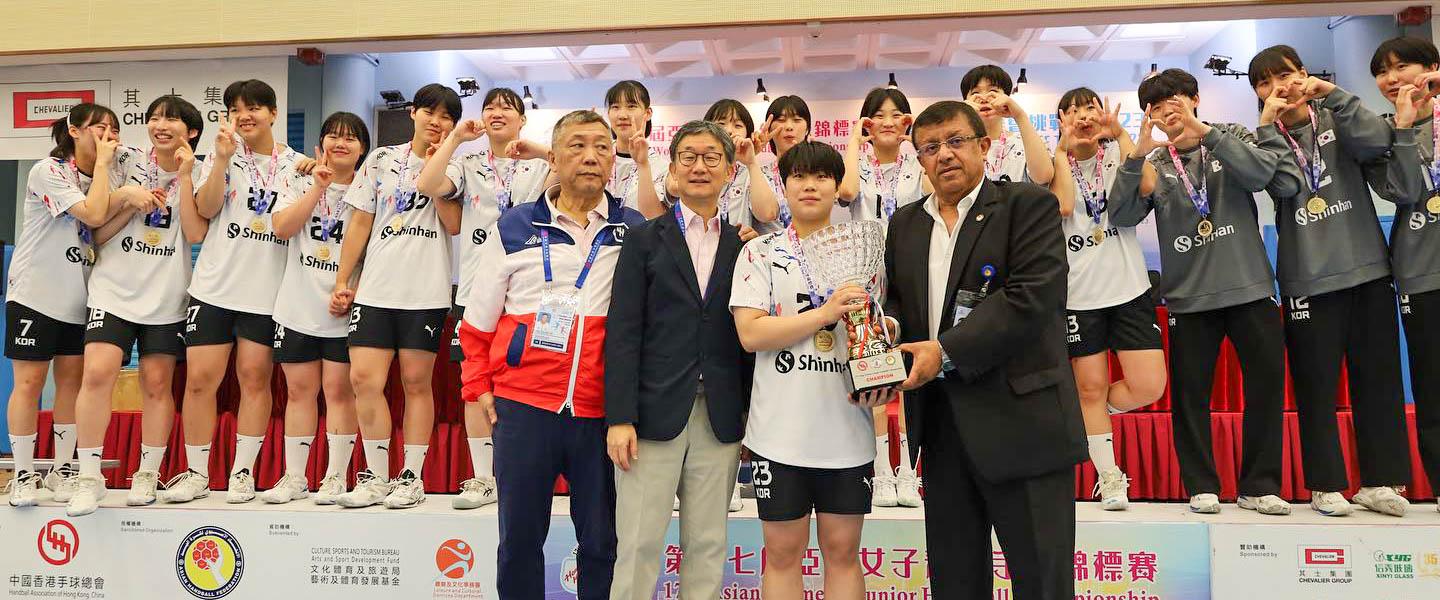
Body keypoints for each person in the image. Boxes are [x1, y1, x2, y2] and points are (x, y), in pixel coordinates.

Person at [887, 100, 1085, 600]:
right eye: (930, 147)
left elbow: (1032, 298)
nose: (944, 155)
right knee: (954, 582)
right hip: (941, 428)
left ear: (983, 145)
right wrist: (883, 331)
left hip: (1023, 424)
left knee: (1042, 583)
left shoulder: (1027, 205)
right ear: (919, 159)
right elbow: (900, 305)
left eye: (955, 141)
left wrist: (944, 351)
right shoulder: (905, 223)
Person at [458, 110, 644, 598]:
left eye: (603, 147)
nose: (590, 156)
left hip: (602, 410)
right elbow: (477, 321)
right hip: (523, 406)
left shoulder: (634, 228)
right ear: (554, 158)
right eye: (578, 146)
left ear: (614, 160)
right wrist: (478, 386)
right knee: (519, 540)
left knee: (603, 540)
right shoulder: (515, 226)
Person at [1109, 69, 1300, 515]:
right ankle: (1201, 484)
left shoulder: (1229, 134)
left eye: (1173, 101)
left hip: (1250, 288)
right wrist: (1135, 155)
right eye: (1155, 108)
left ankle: (1259, 484)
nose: (1166, 112)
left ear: (1194, 99)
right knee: (1191, 396)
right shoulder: (1154, 162)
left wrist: (1206, 133)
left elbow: (1260, 176)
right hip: (1188, 299)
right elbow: (1121, 215)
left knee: (1266, 388)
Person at [1249, 45, 1421, 517]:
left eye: (1284, 75)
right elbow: (1283, 183)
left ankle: (1381, 480)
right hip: (1307, 278)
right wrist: (1268, 127)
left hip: (1368, 268)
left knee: (1379, 380)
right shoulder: (1264, 138)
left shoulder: (1339, 118)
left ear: (1303, 74)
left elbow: (1377, 142)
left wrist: (1335, 95)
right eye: (1264, 83)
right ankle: (1325, 483)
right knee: (1316, 387)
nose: (1278, 87)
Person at [730, 140, 894, 599]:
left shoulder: (865, 249)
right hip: (778, 435)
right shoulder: (760, 253)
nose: (810, 185)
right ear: (784, 185)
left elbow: (883, 321)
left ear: (836, 186)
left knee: (842, 553)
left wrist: (883, 337)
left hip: (846, 431)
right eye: (799, 176)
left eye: (822, 176)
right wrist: (823, 315)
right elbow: (751, 334)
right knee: (783, 554)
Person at [605, 120, 752, 599]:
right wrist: (620, 417)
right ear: (672, 169)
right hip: (651, 415)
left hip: (721, 415)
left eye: (712, 157)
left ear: (731, 170)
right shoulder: (644, 239)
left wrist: (752, 415)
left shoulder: (746, 247)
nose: (699, 166)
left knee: (708, 543)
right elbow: (624, 333)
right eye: (688, 156)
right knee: (639, 543)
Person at [163, 79, 303, 504]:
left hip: (267, 294)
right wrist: (221, 160)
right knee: (200, 382)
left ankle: (243, 472)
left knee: (254, 380)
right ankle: (196, 472)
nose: (245, 115)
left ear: (274, 113)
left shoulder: (296, 165)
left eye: (255, 107)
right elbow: (204, 212)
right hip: (214, 288)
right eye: (236, 108)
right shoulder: (219, 157)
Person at [66, 96, 206, 516]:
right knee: (97, 374)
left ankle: (148, 472)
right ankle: (89, 476)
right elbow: (94, 222)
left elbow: (197, 233)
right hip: (112, 290)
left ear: (192, 132)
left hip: (167, 297)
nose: (160, 125)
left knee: (157, 385)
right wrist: (126, 194)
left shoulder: (201, 173)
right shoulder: (123, 159)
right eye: (154, 118)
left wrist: (183, 178)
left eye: (172, 119)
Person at [419, 87, 553, 510]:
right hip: (477, 289)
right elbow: (427, 183)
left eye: (508, 108)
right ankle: (481, 478)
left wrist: (541, 151)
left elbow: (575, 168)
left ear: (522, 120)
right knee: (474, 384)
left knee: (527, 384)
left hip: (528, 294)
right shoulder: (468, 162)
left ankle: (524, 476)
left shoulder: (537, 165)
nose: (498, 113)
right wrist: (456, 139)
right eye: (490, 106)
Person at [331, 83, 463, 509]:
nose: (437, 121)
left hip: (425, 292)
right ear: (413, 113)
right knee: (363, 380)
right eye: (430, 112)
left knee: (415, 382)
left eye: (446, 116)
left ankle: (412, 476)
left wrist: (436, 166)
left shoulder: (457, 165)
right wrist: (342, 279)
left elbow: (454, 223)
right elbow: (360, 224)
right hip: (376, 290)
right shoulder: (381, 159)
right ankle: (377, 476)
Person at [5, 103, 130, 508]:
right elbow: (93, 211)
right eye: (99, 128)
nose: (107, 135)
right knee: (29, 384)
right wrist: (122, 191)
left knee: (71, 386)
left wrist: (126, 202)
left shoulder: (99, 177)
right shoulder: (50, 170)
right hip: (35, 295)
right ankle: (23, 474)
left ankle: (62, 471)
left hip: (79, 299)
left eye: (113, 128)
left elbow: (97, 230)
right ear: (75, 131)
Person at [1050, 88, 1167, 511]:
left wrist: (1119, 134)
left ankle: (1088, 415)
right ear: (1061, 117)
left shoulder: (1118, 154)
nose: (1083, 116)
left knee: (1148, 386)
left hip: (1130, 289)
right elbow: (1063, 206)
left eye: (1090, 108)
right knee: (1091, 387)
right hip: (1080, 295)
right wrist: (1063, 151)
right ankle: (1110, 476)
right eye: (1074, 110)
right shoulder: (1050, 164)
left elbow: (1149, 185)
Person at [257, 112, 370, 505]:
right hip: (297, 307)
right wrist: (317, 189)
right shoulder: (298, 178)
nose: (341, 143)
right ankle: (294, 476)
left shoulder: (368, 189)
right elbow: (282, 228)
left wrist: (350, 289)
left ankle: (336, 476)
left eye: (351, 138)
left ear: (362, 150)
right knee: (299, 392)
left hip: (344, 308)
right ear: (320, 144)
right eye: (333, 136)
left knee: (339, 392)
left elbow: (374, 250)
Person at [836, 86, 926, 508]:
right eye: (878, 115)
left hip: (912, 274)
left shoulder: (917, 162)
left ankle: (909, 469)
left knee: (906, 372)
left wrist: (915, 145)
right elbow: (848, 193)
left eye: (897, 114)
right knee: (874, 367)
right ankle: (881, 472)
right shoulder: (860, 164)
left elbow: (932, 197)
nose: (888, 121)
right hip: (867, 278)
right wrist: (855, 140)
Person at [1372, 36, 1440, 513]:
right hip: (1421, 271)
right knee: (1433, 388)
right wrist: (1404, 128)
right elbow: (1405, 190)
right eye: (1383, 71)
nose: (1393, 78)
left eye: (1404, 66)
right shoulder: (1380, 132)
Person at [960, 65, 1056, 185]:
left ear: (1007, 98)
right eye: (975, 92)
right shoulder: (958, 146)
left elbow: (1044, 177)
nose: (984, 98)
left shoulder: (1024, 142)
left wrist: (1020, 116)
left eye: (993, 91)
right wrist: (961, 116)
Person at [754, 95, 831, 232]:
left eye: (797, 120)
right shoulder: (757, 175)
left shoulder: (821, 171)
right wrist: (751, 156)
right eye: (781, 120)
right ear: (769, 127)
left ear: (807, 128)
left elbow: (845, 193)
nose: (789, 127)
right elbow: (767, 214)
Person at [605, 80, 668, 218]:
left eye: (631, 106)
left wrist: (642, 164)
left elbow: (655, 218)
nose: (622, 115)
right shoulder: (598, 159)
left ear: (648, 113)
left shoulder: (663, 167)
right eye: (615, 107)